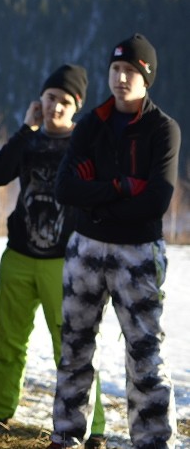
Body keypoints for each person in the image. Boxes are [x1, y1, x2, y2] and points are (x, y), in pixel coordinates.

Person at [48, 34, 179, 449]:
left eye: (131, 71)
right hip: (85, 247)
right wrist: (123, 187)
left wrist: (99, 192)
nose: (121, 78)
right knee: (74, 349)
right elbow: (65, 188)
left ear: (147, 77)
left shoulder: (163, 130)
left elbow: (157, 199)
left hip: (137, 253)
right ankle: (65, 436)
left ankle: (154, 442)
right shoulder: (90, 125)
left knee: (145, 354)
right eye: (116, 69)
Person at [0, 63, 106, 446]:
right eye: (51, 98)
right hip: (18, 255)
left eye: (65, 101)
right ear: (40, 100)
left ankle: (92, 427)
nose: (56, 107)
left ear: (76, 106)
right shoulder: (28, 140)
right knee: (7, 341)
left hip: (64, 262)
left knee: (73, 347)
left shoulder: (84, 144)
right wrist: (25, 129)